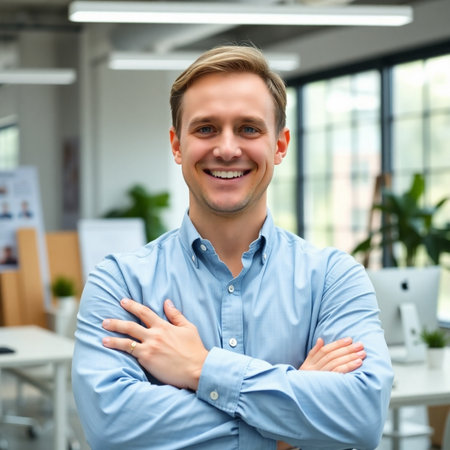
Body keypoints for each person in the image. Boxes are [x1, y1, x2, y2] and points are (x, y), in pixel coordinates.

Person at [72, 45, 393, 450]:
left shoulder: (333, 279)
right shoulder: (119, 282)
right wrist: (289, 425)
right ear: (177, 145)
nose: (226, 148)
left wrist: (200, 367)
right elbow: (111, 428)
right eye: (205, 128)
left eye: (249, 128)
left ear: (279, 145)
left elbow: (361, 417)